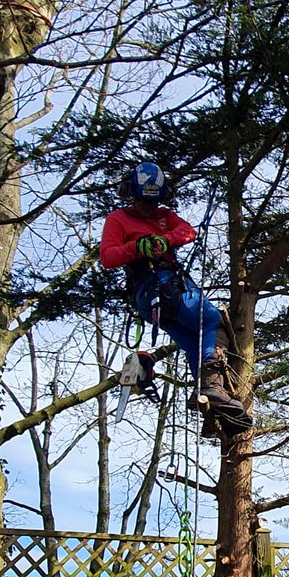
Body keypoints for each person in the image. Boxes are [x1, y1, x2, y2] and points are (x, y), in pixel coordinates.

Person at [100, 162, 252, 433]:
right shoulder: (118, 219)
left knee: (195, 340)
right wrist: (138, 246)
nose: (148, 208)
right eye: (143, 202)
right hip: (155, 288)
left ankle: (212, 403)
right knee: (212, 320)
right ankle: (212, 387)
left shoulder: (164, 216)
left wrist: (166, 240)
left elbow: (188, 231)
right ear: (131, 195)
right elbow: (108, 257)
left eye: (153, 202)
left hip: (161, 296)